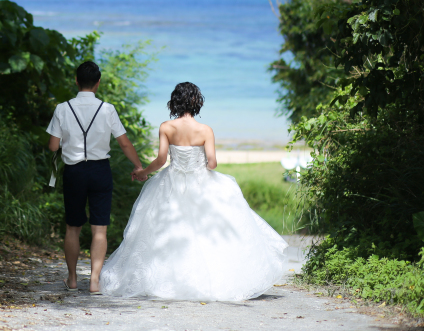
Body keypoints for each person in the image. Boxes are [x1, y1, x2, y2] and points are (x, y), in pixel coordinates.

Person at [99, 82, 289, 301]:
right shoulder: (205, 130)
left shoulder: (166, 127)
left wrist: (143, 172)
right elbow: (213, 163)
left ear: (174, 102)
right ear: (196, 102)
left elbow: (161, 160)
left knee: (168, 228)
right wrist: (200, 165)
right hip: (200, 181)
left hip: (172, 182)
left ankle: (168, 279)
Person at [46, 61, 146, 295]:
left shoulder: (62, 109)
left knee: (73, 227)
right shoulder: (107, 109)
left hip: (74, 172)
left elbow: (53, 146)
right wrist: (138, 166)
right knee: (99, 228)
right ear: (98, 83)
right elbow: (124, 143)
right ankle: (94, 282)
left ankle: (72, 280)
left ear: (76, 81)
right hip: (100, 171)